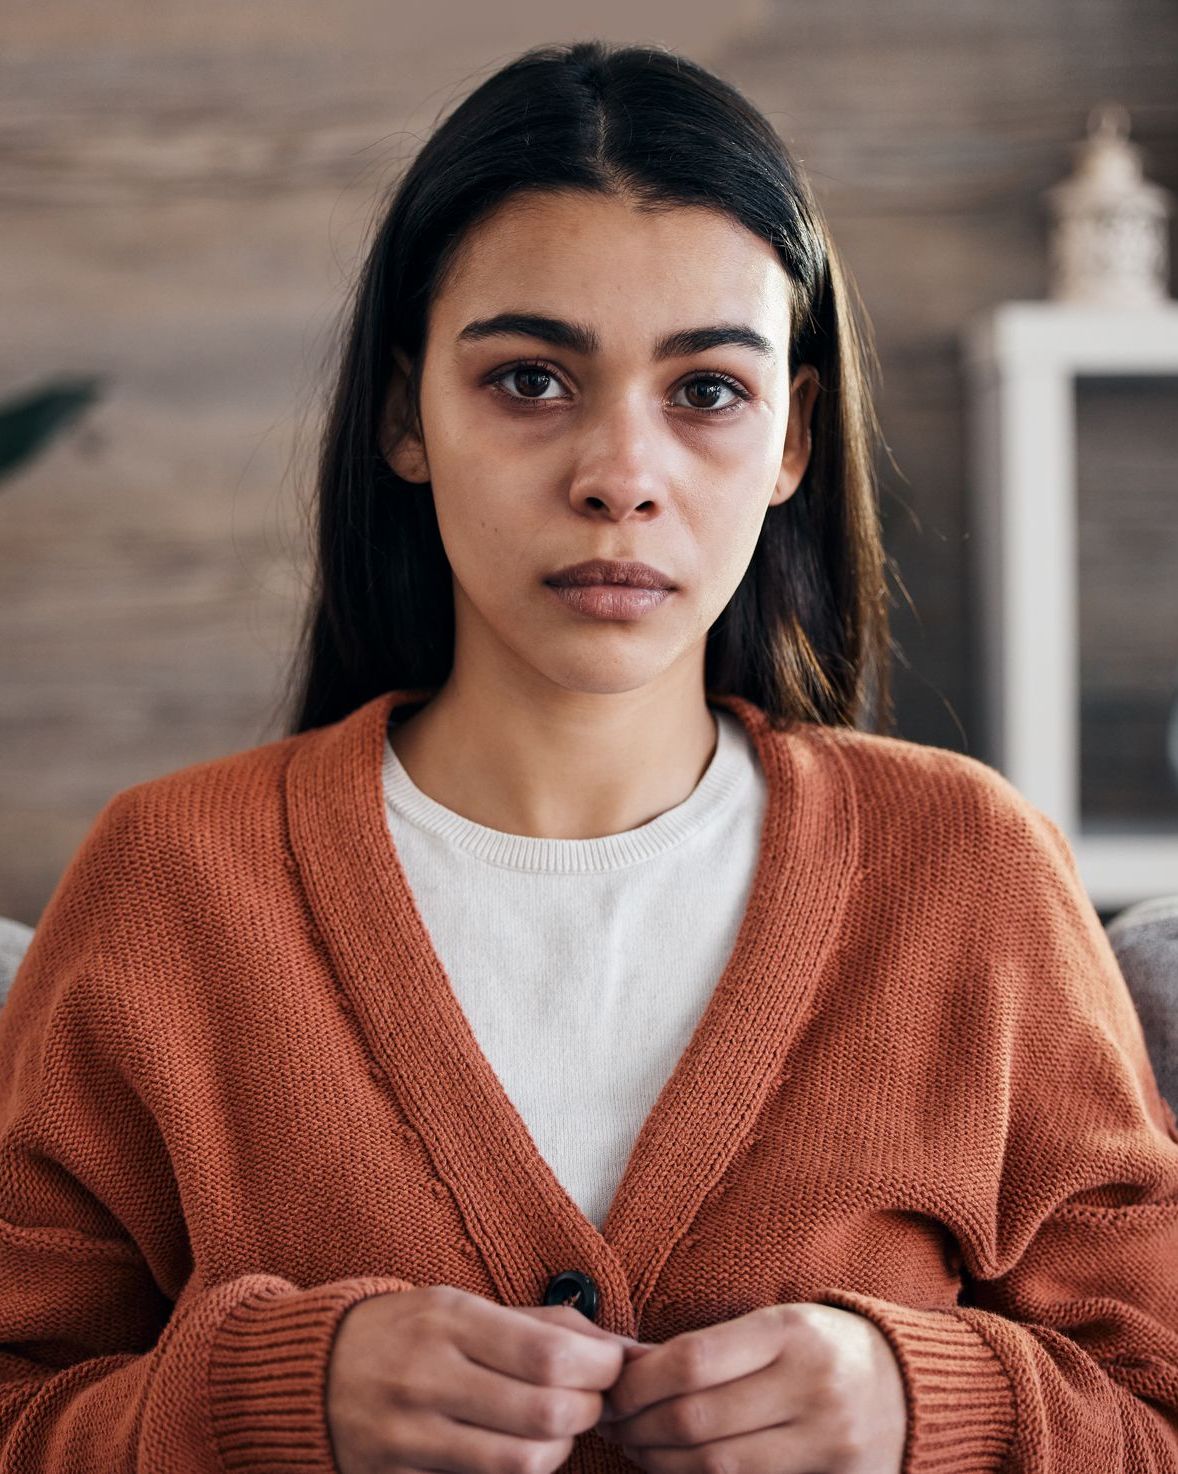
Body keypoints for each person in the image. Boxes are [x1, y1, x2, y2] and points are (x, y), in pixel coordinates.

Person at [2, 36, 1176, 1474]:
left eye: (706, 392)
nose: (619, 473)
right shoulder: (171, 877)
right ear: (401, 415)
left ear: (794, 436)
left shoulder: (969, 868)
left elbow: (1154, 1401)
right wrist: (264, 1403)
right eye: (530, 380)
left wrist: (931, 1400)